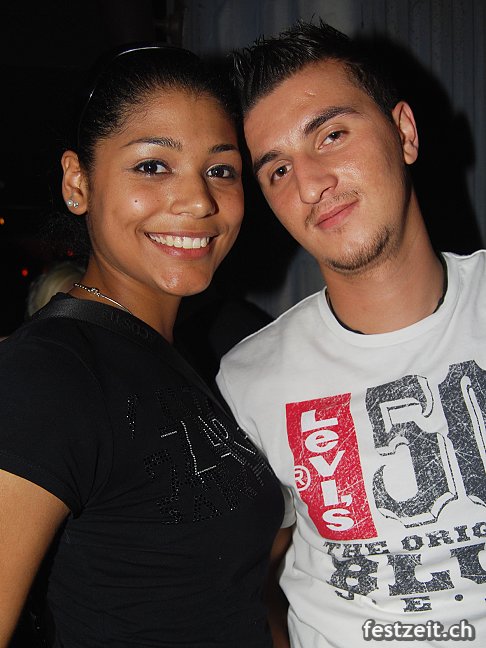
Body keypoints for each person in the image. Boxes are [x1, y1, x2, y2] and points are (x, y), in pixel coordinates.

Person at [0, 44, 285, 648]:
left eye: (221, 170)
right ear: (78, 182)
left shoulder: (188, 358)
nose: (199, 201)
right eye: (153, 165)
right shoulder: (47, 371)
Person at [216, 19, 486, 647]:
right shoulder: (247, 380)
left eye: (332, 135)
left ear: (405, 132)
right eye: (277, 171)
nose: (311, 184)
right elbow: (243, 578)